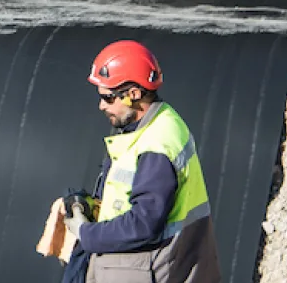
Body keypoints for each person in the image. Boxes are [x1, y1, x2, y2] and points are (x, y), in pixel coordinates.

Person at [64, 40, 221, 283]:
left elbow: (143, 224)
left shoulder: (157, 144)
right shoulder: (150, 126)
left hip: (147, 269)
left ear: (133, 95)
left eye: (108, 97)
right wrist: (93, 207)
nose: (101, 105)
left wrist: (87, 233)